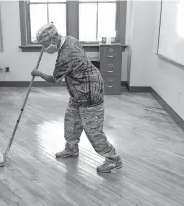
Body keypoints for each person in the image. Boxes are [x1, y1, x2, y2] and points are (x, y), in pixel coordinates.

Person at [31, 23, 122, 173]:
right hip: (78, 88)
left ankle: (113, 158)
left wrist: (38, 73)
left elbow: (55, 79)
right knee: (71, 120)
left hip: (89, 91)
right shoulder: (69, 39)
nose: (44, 47)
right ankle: (71, 148)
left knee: (93, 129)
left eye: (44, 43)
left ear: (53, 38)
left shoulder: (67, 54)